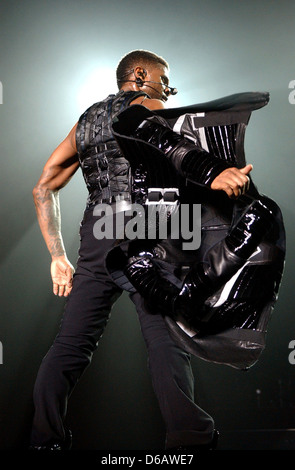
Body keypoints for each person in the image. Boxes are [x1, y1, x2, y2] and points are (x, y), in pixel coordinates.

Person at [30, 49, 252, 451]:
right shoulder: (150, 107)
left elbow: (43, 186)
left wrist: (56, 256)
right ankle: (190, 437)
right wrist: (218, 173)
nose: (169, 90)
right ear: (139, 74)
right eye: (164, 80)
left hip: (98, 230)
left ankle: (45, 440)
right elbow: (178, 152)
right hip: (146, 225)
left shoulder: (86, 121)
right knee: (165, 337)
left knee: (72, 342)